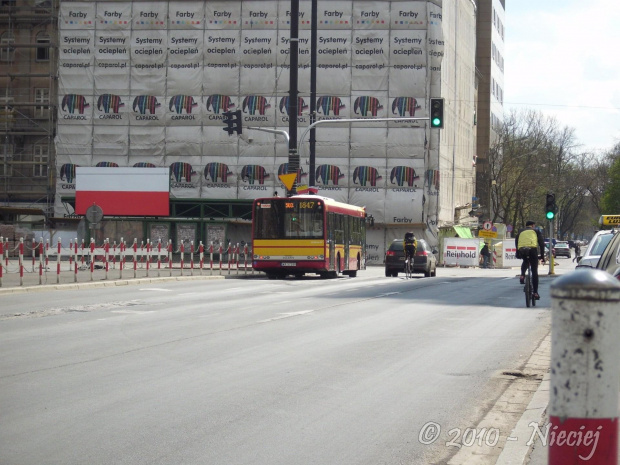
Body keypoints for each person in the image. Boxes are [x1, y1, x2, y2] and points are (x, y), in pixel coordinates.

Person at [514, 220, 545, 300]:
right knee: (534, 271)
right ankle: (535, 293)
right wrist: (542, 256)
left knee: (525, 261)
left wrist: (517, 253)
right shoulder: (536, 231)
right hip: (532, 250)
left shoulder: (520, 231)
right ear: (533, 225)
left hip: (522, 249)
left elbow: (516, 242)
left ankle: (522, 275)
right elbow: (541, 244)